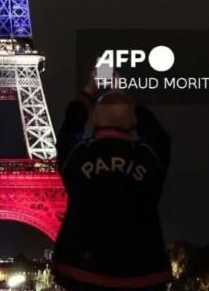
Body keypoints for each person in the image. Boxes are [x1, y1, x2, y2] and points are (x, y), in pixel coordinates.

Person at [51, 73, 173, 291]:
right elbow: (160, 137)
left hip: (83, 271)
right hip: (143, 273)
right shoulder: (149, 157)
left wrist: (88, 92)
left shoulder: (77, 155)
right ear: (134, 121)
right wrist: (126, 99)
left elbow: (69, 129)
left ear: (94, 119)